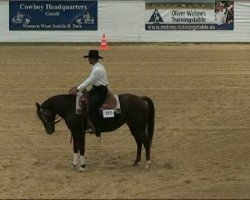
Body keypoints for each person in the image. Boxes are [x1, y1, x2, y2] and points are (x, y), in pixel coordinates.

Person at [73, 50, 109, 137]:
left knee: (92, 105)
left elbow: (89, 80)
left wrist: (78, 89)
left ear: (92, 59)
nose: (88, 60)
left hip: (100, 91)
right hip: (96, 89)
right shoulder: (97, 67)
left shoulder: (97, 69)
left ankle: (95, 127)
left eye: (89, 58)